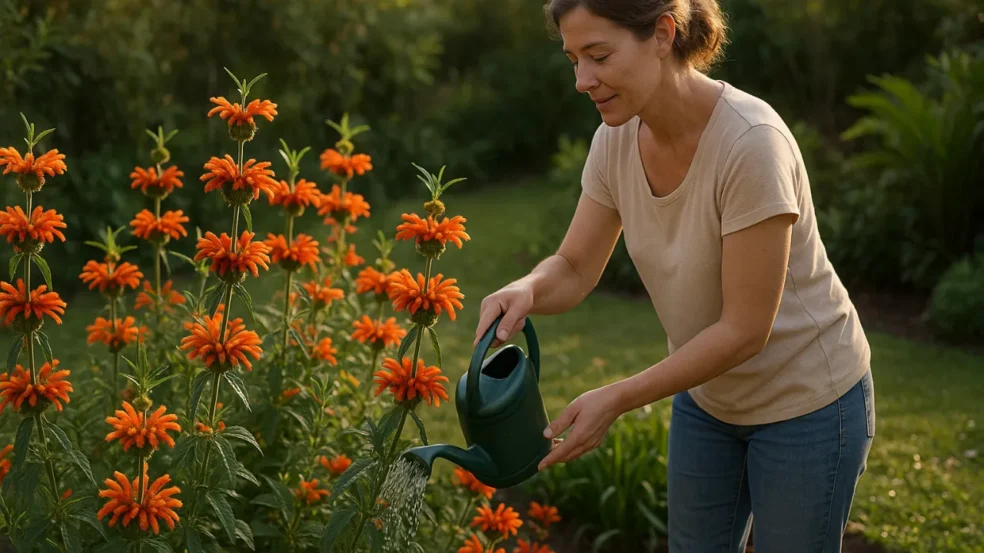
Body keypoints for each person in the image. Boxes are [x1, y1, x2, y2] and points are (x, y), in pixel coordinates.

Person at [472, 1, 876, 551]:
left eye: (599, 56)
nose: (581, 80)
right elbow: (574, 266)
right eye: (573, 59)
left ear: (663, 34)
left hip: (807, 404)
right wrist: (529, 287)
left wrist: (617, 397)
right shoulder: (614, 142)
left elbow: (744, 330)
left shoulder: (749, 143)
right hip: (707, 400)